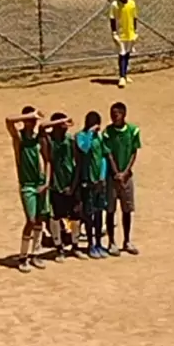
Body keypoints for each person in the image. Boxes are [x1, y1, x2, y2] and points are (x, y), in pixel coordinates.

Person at [5, 105, 51, 273]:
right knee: (30, 220)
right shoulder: (19, 138)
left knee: (40, 219)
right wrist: (29, 115)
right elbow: (9, 120)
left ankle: (35, 254)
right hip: (27, 185)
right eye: (29, 119)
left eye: (33, 120)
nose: (32, 122)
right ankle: (23, 256)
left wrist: (46, 182)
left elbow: (47, 160)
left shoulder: (39, 139)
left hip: (40, 183)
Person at [47, 112, 88, 262]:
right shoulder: (48, 140)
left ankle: (75, 246)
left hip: (71, 183)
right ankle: (59, 248)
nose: (65, 128)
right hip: (55, 185)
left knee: (76, 216)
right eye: (62, 125)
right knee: (56, 216)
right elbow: (42, 129)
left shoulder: (70, 140)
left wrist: (73, 185)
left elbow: (78, 164)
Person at [103, 102, 141, 257]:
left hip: (126, 177)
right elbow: (109, 154)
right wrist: (116, 172)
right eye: (112, 114)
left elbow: (133, 152)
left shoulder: (133, 131)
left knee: (127, 210)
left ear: (124, 114)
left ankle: (127, 240)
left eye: (116, 114)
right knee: (110, 210)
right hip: (112, 178)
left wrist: (125, 172)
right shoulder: (107, 132)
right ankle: (112, 242)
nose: (113, 116)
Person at [75, 111, 108, 259]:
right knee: (88, 214)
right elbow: (85, 148)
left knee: (99, 213)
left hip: (98, 182)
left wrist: (102, 176)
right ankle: (90, 244)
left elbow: (103, 157)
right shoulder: (80, 136)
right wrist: (89, 133)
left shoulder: (99, 138)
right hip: (87, 181)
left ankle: (99, 243)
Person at [109, 0, 138, 89]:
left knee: (127, 54)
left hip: (130, 33)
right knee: (122, 54)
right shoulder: (115, 5)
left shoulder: (132, 3)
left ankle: (125, 75)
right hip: (120, 34)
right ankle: (121, 77)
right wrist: (114, 32)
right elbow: (112, 19)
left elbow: (134, 18)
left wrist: (135, 31)